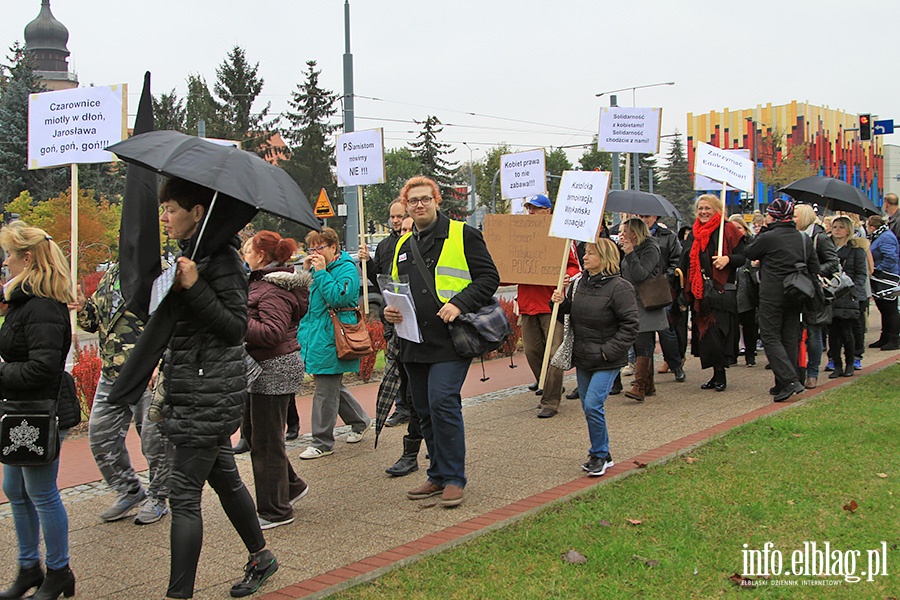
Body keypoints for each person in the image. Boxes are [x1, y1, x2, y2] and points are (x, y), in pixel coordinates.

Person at [157, 178, 278, 599]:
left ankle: (179, 595)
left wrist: (194, 286)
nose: (164, 216)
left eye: (171, 208)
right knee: (225, 479)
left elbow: (232, 328)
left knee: (184, 495)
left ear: (196, 212)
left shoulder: (222, 261)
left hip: (207, 391)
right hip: (195, 385)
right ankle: (262, 557)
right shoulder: (194, 256)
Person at [384, 176, 500, 508]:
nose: (419, 205)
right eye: (413, 201)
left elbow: (489, 277)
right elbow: (395, 290)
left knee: (442, 402)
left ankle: (454, 478)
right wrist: (388, 313)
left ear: (437, 200)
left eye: (425, 199)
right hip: (413, 341)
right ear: (406, 206)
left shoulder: (463, 234)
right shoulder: (403, 246)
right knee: (423, 410)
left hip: (451, 340)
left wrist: (460, 303)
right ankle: (436, 474)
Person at [0, 222, 76, 600]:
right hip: (23, 409)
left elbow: (42, 368)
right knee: (14, 487)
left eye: (9, 255)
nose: (5, 262)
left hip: (41, 410)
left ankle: (58, 570)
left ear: (27, 258)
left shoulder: (41, 306)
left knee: (41, 491)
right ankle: (29, 567)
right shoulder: (25, 302)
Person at [75, 262, 172, 526]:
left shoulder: (161, 272)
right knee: (100, 436)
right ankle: (129, 490)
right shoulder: (112, 274)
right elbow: (93, 322)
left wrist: (161, 363)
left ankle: (159, 496)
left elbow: (173, 322)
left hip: (146, 372)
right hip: (113, 374)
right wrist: (83, 306)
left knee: (154, 441)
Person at [551, 238, 638, 476]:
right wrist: (560, 304)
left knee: (592, 404)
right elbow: (571, 317)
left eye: (590, 253)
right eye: (585, 253)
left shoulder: (620, 288)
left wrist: (608, 351)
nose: (584, 257)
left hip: (607, 358)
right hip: (584, 356)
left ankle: (598, 454)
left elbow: (630, 325)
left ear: (604, 258)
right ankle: (603, 451)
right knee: (588, 407)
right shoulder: (581, 283)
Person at [242, 231, 311, 529]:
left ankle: (275, 510)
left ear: (260, 255)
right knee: (257, 434)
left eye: (247, 249)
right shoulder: (265, 283)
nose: (244, 254)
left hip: (275, 368)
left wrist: (237, 319)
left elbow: (272, 332)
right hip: (264, 367)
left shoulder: (271, 288)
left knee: (267, 442)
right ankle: (292, 486)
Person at [359, 201, 423, 476]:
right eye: (396, 220)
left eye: (405, 221)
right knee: (409, 388)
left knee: (434, 397)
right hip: (400, 330)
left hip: (433, 334)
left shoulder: (431, 248)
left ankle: (437, 445)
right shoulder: (389, 248)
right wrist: (368, 263)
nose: (402, 227)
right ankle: (411, 451)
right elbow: (385, 284)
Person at [297, 227, 371, 460]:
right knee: (330, 385)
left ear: (333, 247)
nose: (315, 252)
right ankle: (360, 421)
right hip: (316, 335)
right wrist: (307, 272)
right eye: (312, 248)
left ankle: (322, 441)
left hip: (334, 337)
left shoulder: (346, 268)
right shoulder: (316, 269)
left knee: (325, 389)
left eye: (320, 247)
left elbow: (342, 297)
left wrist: (320, 273)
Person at [745, 199, 820, 403]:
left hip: (772, 294)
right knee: (789, 337)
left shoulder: (768, 237)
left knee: (770, 336)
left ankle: (789, 380)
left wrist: (763, 231)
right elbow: (815, 266)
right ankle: (783, 383)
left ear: (773, 216)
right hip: (796, 293)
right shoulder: (803, 238)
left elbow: (750, 252)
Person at [516, 194, 580, 418]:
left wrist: (567, 278)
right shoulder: (520, 236)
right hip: (527, 303)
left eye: (536, 208)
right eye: (529, 209)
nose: (531, 213)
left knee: (554, 353)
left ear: (547, 212)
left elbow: (575, 267)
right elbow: (507, 271)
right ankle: (549, 383)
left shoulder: (560, 236)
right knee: (533, 351)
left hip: (551, 302)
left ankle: (550, 401)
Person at [679, 194, 747, 392]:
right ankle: (715, 373)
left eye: (707, 208)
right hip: (700, 290)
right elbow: (686, 257)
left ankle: (721, 374)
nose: (703, 212)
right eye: (700, 208)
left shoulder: (728, 229)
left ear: (717, 209)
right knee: (705, 334)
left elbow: (744, 255)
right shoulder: (695, 232)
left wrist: (727, 259)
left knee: (718, 332)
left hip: (722, 290)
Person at [359, 200, 411, 428]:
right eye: (393, 217)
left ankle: (412, 405)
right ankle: (401, 407)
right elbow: (376, 278)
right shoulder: (385, 245)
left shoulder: (414, 242)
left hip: (412, 312)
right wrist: (367, 262)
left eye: (400, 216)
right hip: (391, 312)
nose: (396, 221)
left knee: (412, 364)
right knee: (395, 363)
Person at [619, 218, 669, 402]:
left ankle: (639, 384)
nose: (622, 235)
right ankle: (648, 384)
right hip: (632, 300)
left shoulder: (650, 248)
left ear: (635, 232)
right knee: (638, 340)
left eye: (625, 231)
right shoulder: (629, 248)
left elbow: (641, 274)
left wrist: (631, 253)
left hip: (647, 300)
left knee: (643, 341)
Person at [794, 204, 839, 389]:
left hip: (814, 291)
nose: (792, 218)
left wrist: (816, 272)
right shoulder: (793, 236)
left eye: (795, 215)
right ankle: (797, 371)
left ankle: (812, 373)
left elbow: (833, 261)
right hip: (797, 289)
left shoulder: (819, 237)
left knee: (814, 332)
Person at [639, 214, 685, 382]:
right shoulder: (632, 235)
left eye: (647, 216)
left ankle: (676, 365)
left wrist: (665, 278)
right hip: (639, 288)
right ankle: (644, 374)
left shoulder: (668, 236)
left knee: (665, 330)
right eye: (640, 216)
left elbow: (677, 260)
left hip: (659, 288)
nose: (644, 219)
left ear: (655, 217)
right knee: (642, 334)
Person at [828, 217, 868, 378]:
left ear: (848, 230)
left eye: (840, 227)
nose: (836, 230)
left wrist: (854, 292)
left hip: (848, 294)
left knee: (847, 332)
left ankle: (850, 362)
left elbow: (861, 274)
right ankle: (836, 364)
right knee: (833, 333)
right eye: (834, 227)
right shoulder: (827, 248)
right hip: (831, 293)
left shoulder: (856, 250)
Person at [729, 216, 759, 367]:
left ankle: (750, 354)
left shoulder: (752, 244)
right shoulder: (726, 244)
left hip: (747, 289)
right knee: (732, 324)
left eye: (739, 228)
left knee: (749, 324)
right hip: (732, 287)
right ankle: (732, 353)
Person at [866, 214, 900, 350]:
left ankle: (894, 338)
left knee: (890, 309)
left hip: (887, 278)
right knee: (884, 309)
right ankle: (885, 336)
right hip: (881, 278)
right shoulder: (880, 236)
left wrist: (877, 270)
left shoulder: (885, 237)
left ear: (873, 227)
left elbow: (891, 258)